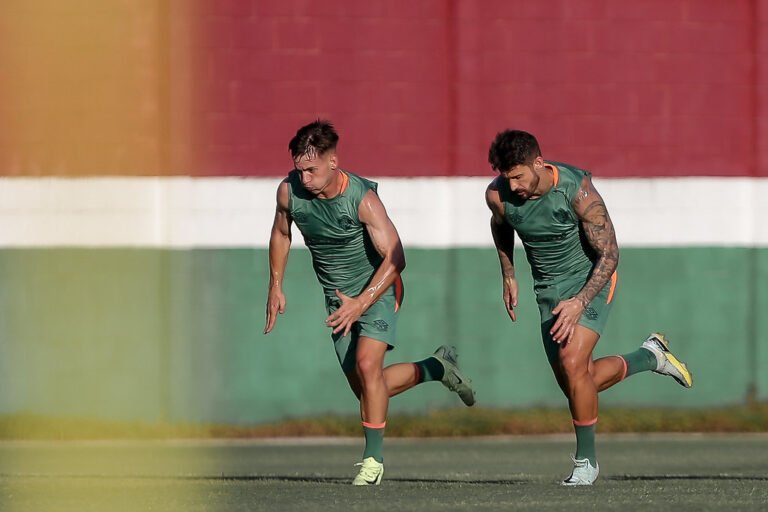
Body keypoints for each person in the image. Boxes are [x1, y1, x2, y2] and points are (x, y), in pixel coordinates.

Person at [264, 119, 475, 486]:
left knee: (367, 366)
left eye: (312, 170)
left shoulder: (362, 199)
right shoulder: (288, 192)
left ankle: (373, 460)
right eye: (300, 170)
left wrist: (361, 302)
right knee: (368, 389)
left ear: (333, 162)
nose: (306, 179)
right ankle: (437, 368)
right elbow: (281, 232)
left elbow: (396, 259)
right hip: (338, 300)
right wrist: (275, 284)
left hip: (378, 291)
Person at [485, 129, 693, 486]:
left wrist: (580, 301)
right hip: (547, 290)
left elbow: (610, 254)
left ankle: (586, 463)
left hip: (590, 280)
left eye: (518, 175)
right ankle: (650, 356)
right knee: (576, 383)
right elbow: (500, 225)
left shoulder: (578, 192)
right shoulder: (497, 196)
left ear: (539, 162)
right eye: (507, 177)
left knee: (572, 363)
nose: (514, 185)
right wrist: (508, 274)